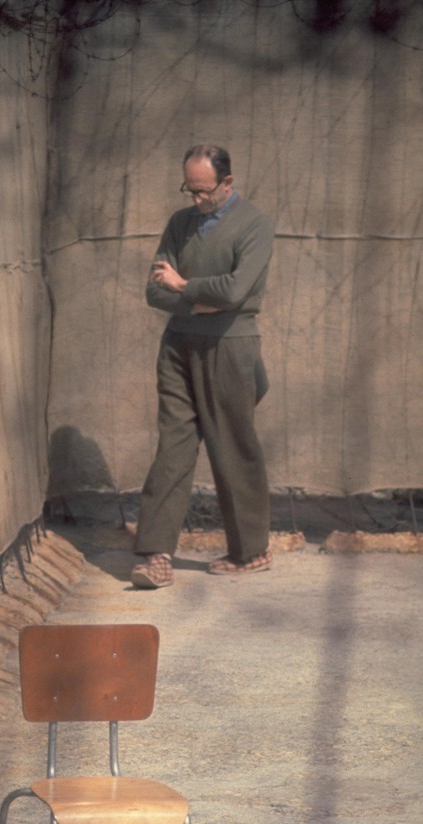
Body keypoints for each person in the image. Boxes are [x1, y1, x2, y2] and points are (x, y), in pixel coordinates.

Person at [131, 144, 274, 589]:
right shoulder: (180, 224)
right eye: (189, 190)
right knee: (173, 446)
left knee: (231, 446)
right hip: (179, 345)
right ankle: (155, 555)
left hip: (229, 349)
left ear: (227, 183)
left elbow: (235, 291)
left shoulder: (254, 225)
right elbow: (155, 292)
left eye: (203, 192)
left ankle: (251, 551)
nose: (194, 199)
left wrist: (185, 285)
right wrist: (200, 304)